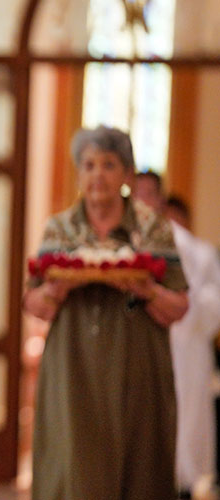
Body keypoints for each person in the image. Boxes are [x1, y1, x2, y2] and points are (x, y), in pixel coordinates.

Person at [24, 126, 188, 500]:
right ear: (78, 173)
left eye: (109, 165)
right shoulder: (60, 228)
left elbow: (179, 306)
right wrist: (57, 289)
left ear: (127, 174)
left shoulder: (153, 228)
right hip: (72, 365)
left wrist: (146, 290)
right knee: (73, 464)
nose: (98, 175)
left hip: (138, 365)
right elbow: (34, 305)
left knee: (141, 465)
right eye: (89, 165)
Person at [132, 177, 220, 497]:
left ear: (161, 200)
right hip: (139, 349)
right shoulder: (124, 242)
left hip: (186, 349)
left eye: (149, 194)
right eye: (137, 194)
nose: (143, 201)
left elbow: (212, 303)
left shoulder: (192, 249)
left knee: (184, 423)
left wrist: (180, 306)